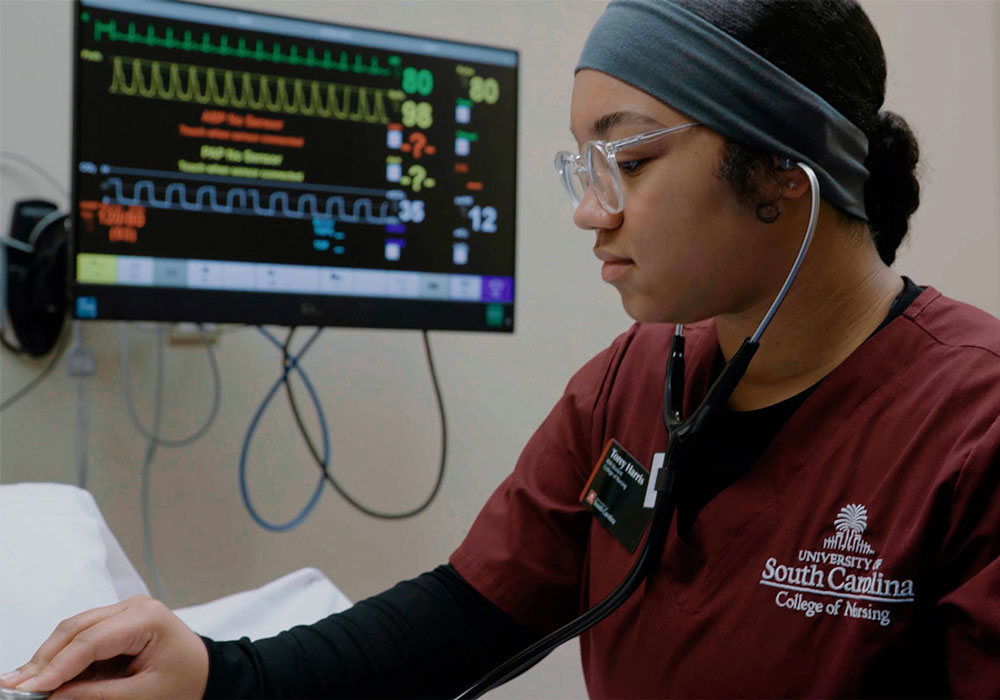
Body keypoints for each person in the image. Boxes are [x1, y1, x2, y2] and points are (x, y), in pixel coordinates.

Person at [4, 0, 999, 697]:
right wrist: (220, 675)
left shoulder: (971, 429)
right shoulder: (634, 384)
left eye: (627, 157)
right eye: (582, 163)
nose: (586, 209)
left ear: (786, 166)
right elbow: (469, 616)